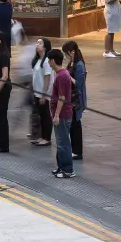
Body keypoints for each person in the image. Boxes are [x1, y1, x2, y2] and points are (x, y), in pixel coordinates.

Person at [48, 49, 75, 179]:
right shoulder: (60, 74)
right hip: (60, 114)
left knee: (63, 142)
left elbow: (62, 97)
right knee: (60, 142)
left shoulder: (62, 76)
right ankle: (61, 167)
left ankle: (68, 169)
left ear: (53, 61)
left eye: (49, 60)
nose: (48, 62)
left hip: (63, 115)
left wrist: (57, 114)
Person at [63, 41, 87, 160]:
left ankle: (78, 151)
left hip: (76, 100)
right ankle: (74, 149)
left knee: (76, 124)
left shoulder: (79, 65)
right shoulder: (72, 63)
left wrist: (68, 76)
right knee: (72, 125)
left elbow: (79, 84)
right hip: (70, 98)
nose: (65, 56)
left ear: (72, 52)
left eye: (66, 53)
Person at [31, 38, 54, 147]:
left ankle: (47, 138)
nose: (37, 45)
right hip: (36, 92)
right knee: (40, 115)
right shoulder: (37, 60)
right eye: (37, 42)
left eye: (40, 43)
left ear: (45, 47)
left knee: (45, 116)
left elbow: (47, 78)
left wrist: (44, 95)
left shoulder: (46, 61)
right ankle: (41, 136)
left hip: (43, 94)